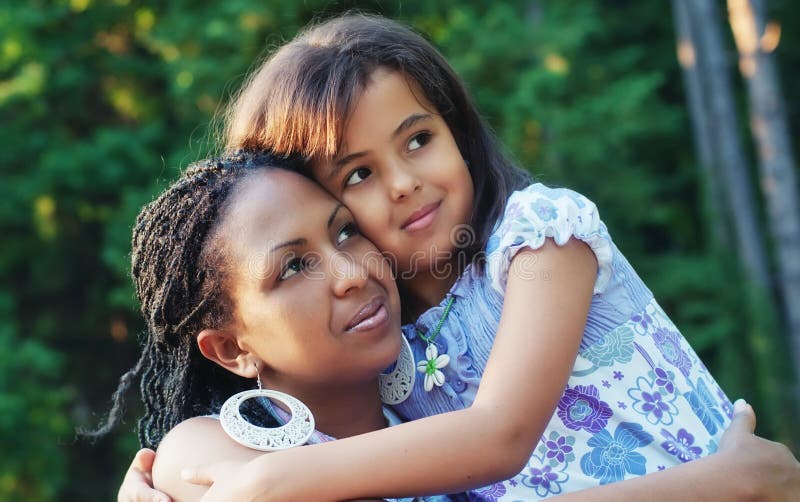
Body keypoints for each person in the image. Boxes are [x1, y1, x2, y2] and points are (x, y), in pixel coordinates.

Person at [118, 14, 800, 501]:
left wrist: (268, 484)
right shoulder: (390, 351)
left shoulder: (537, 241)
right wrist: (721, 485)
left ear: (457, 127)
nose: (404, 181)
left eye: (418, 140)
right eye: (357, 175)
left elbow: (499, 435)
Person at [99, 150, 456, 501]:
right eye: (294, 268)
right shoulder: (199, 455)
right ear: (232, 348)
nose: (352, 275)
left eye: (345, 232)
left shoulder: (454, 383)